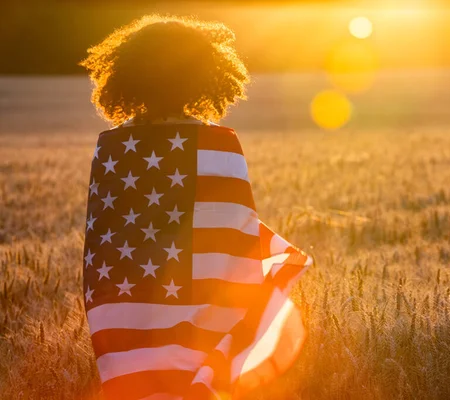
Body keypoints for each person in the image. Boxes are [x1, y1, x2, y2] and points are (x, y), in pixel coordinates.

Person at [80, 15, 312, 400]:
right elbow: (235, 226)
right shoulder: (219, 144)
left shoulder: (112, 147)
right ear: (203, 74)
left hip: (122, 288)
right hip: (203, 295)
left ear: (129, 74)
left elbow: (102, 238)